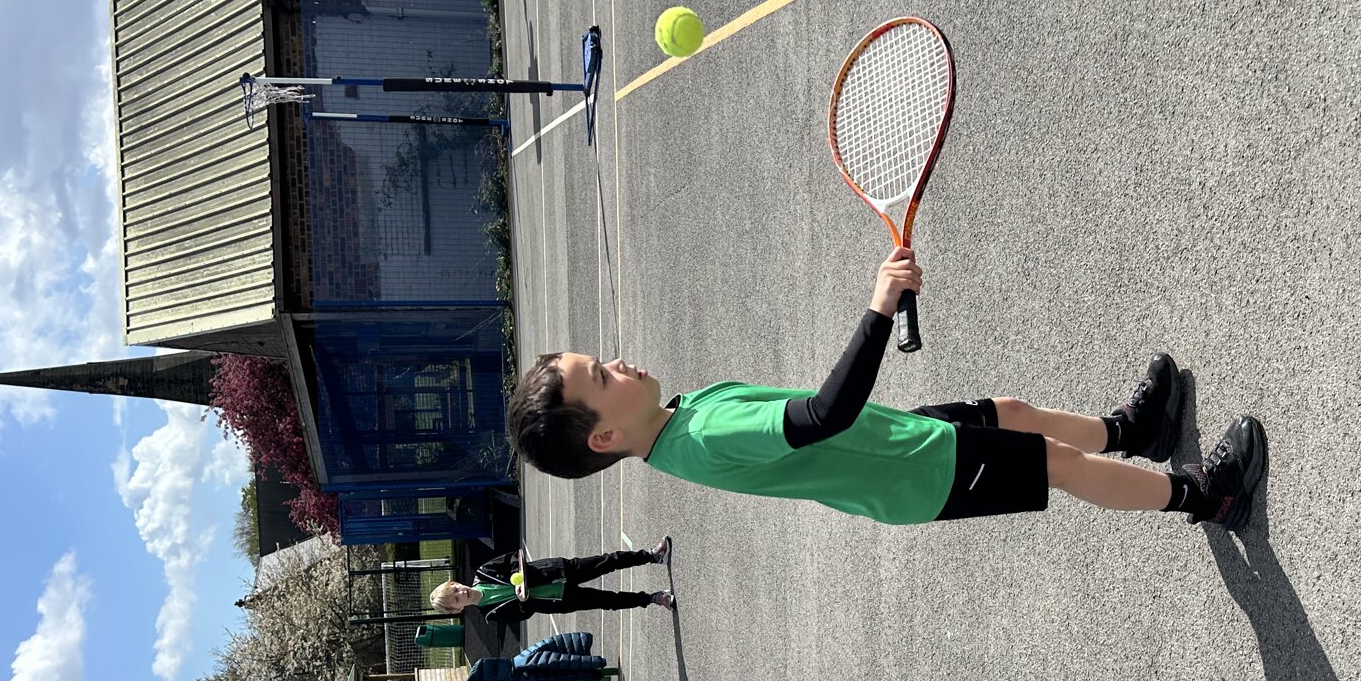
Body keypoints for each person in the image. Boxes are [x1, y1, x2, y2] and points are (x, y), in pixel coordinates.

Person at [506, 247, 1267, 531]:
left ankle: (1132, 431)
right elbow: (820, 416)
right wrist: (878, 306)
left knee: (1010, 413)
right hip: (916, 471)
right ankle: (1204, 498)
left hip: (897, 441)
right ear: (604, 436)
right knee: (1052, 462)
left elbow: (833, 420)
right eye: (602, 377)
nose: (618, 363)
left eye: (601, 358)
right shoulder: (702, 437)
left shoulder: (681, 417)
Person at [431, 539, 677, 623]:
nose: (460, 594)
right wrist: (523, 600)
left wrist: (520, 576)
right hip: (558, 599)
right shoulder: (490, 614)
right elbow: (523, 614)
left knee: (607, 561)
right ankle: (653, 598)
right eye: (455, 600)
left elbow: (512, 558)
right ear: (458, 609)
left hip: (557, 571)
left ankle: (652, 556)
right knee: (608, 601)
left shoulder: (484, 571)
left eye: (455, 590)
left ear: (455, 583)